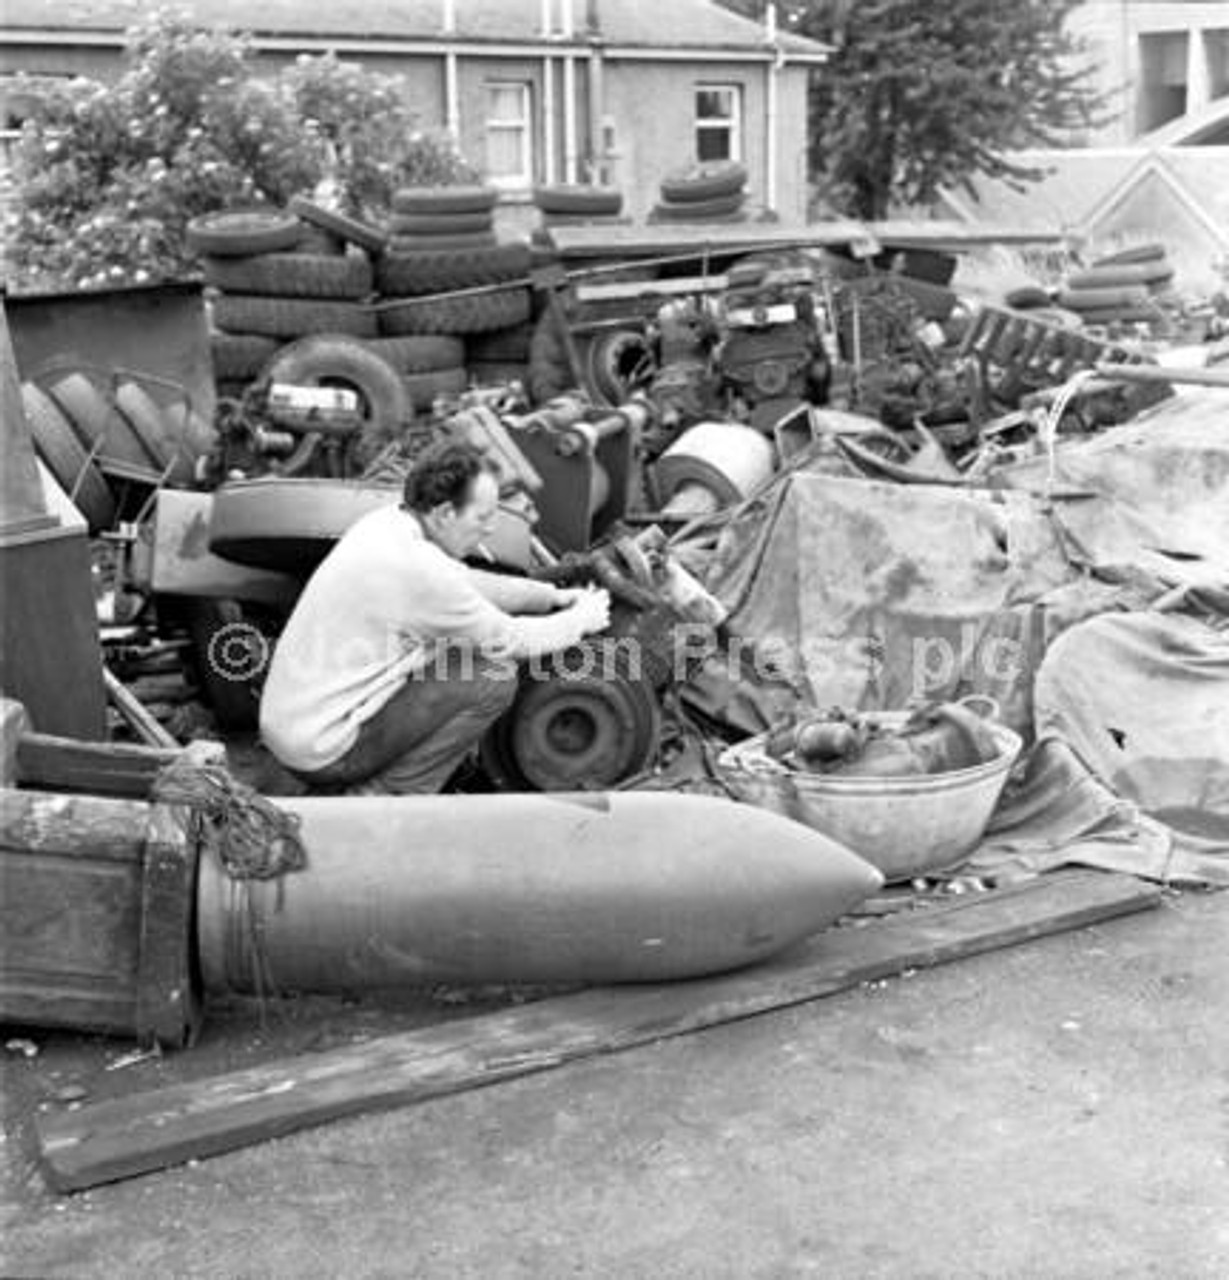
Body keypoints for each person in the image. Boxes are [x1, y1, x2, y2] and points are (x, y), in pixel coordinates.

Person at [259, 441, 610, 794]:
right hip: (324, 750)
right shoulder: (420, 572)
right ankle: (385, 799)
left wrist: (550, 597)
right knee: (491, 676)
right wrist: (583, 619)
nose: (489, 529)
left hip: (293, 728)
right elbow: (511, 640)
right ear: (444, 514)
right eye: (482, 517)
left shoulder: (388, 524)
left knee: (453, 658)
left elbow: (468, 582)